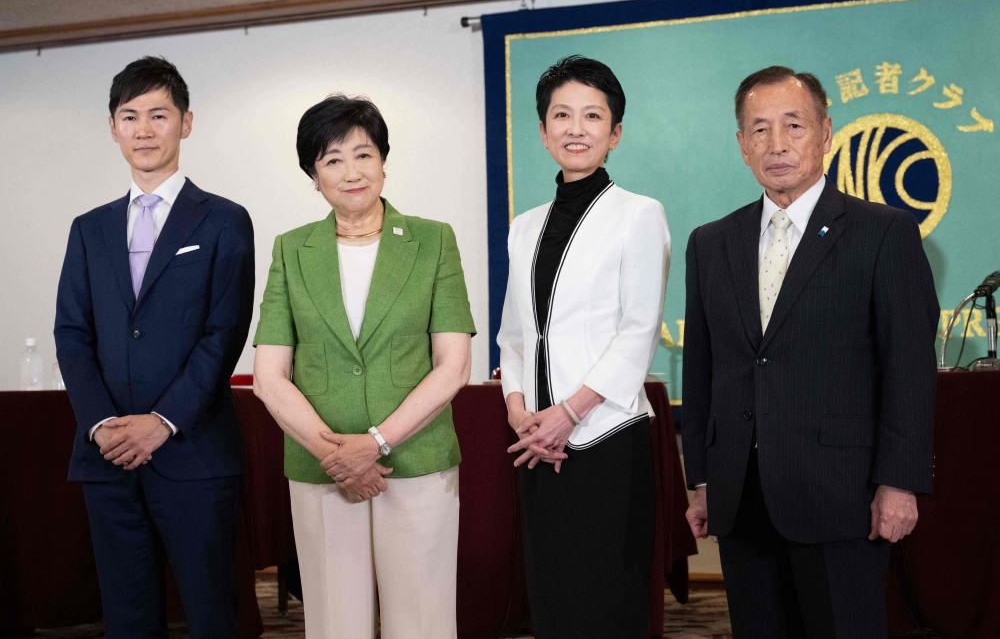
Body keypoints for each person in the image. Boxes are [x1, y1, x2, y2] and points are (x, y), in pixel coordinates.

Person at [681, 66, 939, 638]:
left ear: (825, 132)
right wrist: (700, 479)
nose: (777, 145)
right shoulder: (711, 243)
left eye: (793, 125)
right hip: (742, 496)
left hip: (842, 497)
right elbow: (702, 372)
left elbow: (910, 371)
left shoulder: (883, 233)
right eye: (760, 129)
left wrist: (900, 483)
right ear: (742, 146)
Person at [252, 94, 476, 639]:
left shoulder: (433, 240)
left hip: (417, 459)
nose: (351, 172)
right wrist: (337, 455)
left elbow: (453, 366)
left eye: (363, 154)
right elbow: (269, 376)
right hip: (321, 467)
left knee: (421, 620)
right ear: (313, 174)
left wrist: (372, 444)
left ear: (383, 161)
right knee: (335, 623)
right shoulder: (291, 249)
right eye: (332, 159)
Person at [53, 56, 255, 639]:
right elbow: (72, 333)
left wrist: (162, 422)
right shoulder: (88, 228)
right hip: (107, 457)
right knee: (127, 618)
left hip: (193, 456)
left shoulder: (223, 221)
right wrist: (101, 425)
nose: (144, 129)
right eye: (130, 116)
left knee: (212, 613)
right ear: (113, 128)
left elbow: (224, 333)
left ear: (185, 123)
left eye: (158, 115)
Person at [497, 55, 671, 638]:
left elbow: (639, 329)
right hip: (538, 446)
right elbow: (515, 334)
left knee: (609, 598)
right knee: (554, 597)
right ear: (544, 133)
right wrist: (521, 412)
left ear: (614, 133)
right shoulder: (524, 227)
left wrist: (569, 412)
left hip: (605, 435)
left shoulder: (639, 215)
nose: (576, 128)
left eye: (592, 116)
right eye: (562, 115)